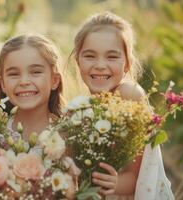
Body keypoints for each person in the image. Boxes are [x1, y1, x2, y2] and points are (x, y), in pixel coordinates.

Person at [70, 12, 174, 200]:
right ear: (78, 60)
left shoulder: (129, 95)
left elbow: (137, 176)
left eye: (111, 56)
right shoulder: (83, 107)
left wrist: (115, 183)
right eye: (90, 56)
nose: (100, 65)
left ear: (126, 63)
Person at [0, 34, 63, 140]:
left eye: (35, 72)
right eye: (14, 74)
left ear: (54, 80)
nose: (24, 82)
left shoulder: (68, 135)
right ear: (2, 84)